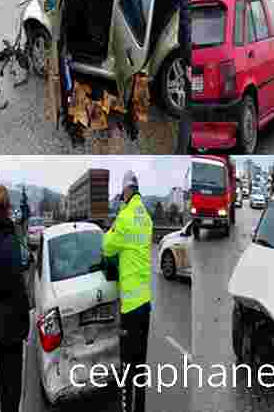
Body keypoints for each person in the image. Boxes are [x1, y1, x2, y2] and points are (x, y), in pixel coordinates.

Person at [102, 171, 153, 412]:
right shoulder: (147, 218)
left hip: (130, 308)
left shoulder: (124, 217)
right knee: (141, 364)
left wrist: (114, 222)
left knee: (127, 368)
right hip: (146, 303)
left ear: (125, 191)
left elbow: (107, 247)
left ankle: (126, 408)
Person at [0, 186, 29, 412]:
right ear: (8, 207)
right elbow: (16, 282)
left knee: (4, 380)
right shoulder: (10, 238)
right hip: (13, 320)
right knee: (14, 382)